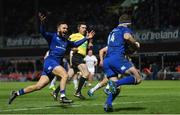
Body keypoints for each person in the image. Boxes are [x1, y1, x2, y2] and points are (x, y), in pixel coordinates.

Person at [8, 13, 95, 104]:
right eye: (63, 28)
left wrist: (86, 38)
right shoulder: (52, 37)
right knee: (65, 75)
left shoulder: (65, 41)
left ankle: (16, 93)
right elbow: (43, 32)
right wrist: (42, 23)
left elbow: (75, 44)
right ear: (58, 29)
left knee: (39, 86)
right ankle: (62, 96)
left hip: (54, 65)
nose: (66, 30)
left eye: (66, 28)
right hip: (50, 62)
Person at [103, 14, 142, 112]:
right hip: (117, 58)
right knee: (138, 78)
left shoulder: (113, 30)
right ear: (129, 23)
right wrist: (135, 43)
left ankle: (108, 104)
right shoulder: (124, 29)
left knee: (117, 88)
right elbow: (127, 37)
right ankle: (116, 84)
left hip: (107, 60)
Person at [69, 22, 93, 99]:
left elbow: (88, 48)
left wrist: (90, 41)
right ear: (78, 28)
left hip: (81, 57)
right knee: (86, 73)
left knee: (67, 76)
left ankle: (55, 92)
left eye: (85, 28)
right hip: (76, 56)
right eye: (82, 27)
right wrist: (73, 48)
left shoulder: (85, 38)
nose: (84, 29)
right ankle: (78, 92)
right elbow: (69, 45)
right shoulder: (74, 35)